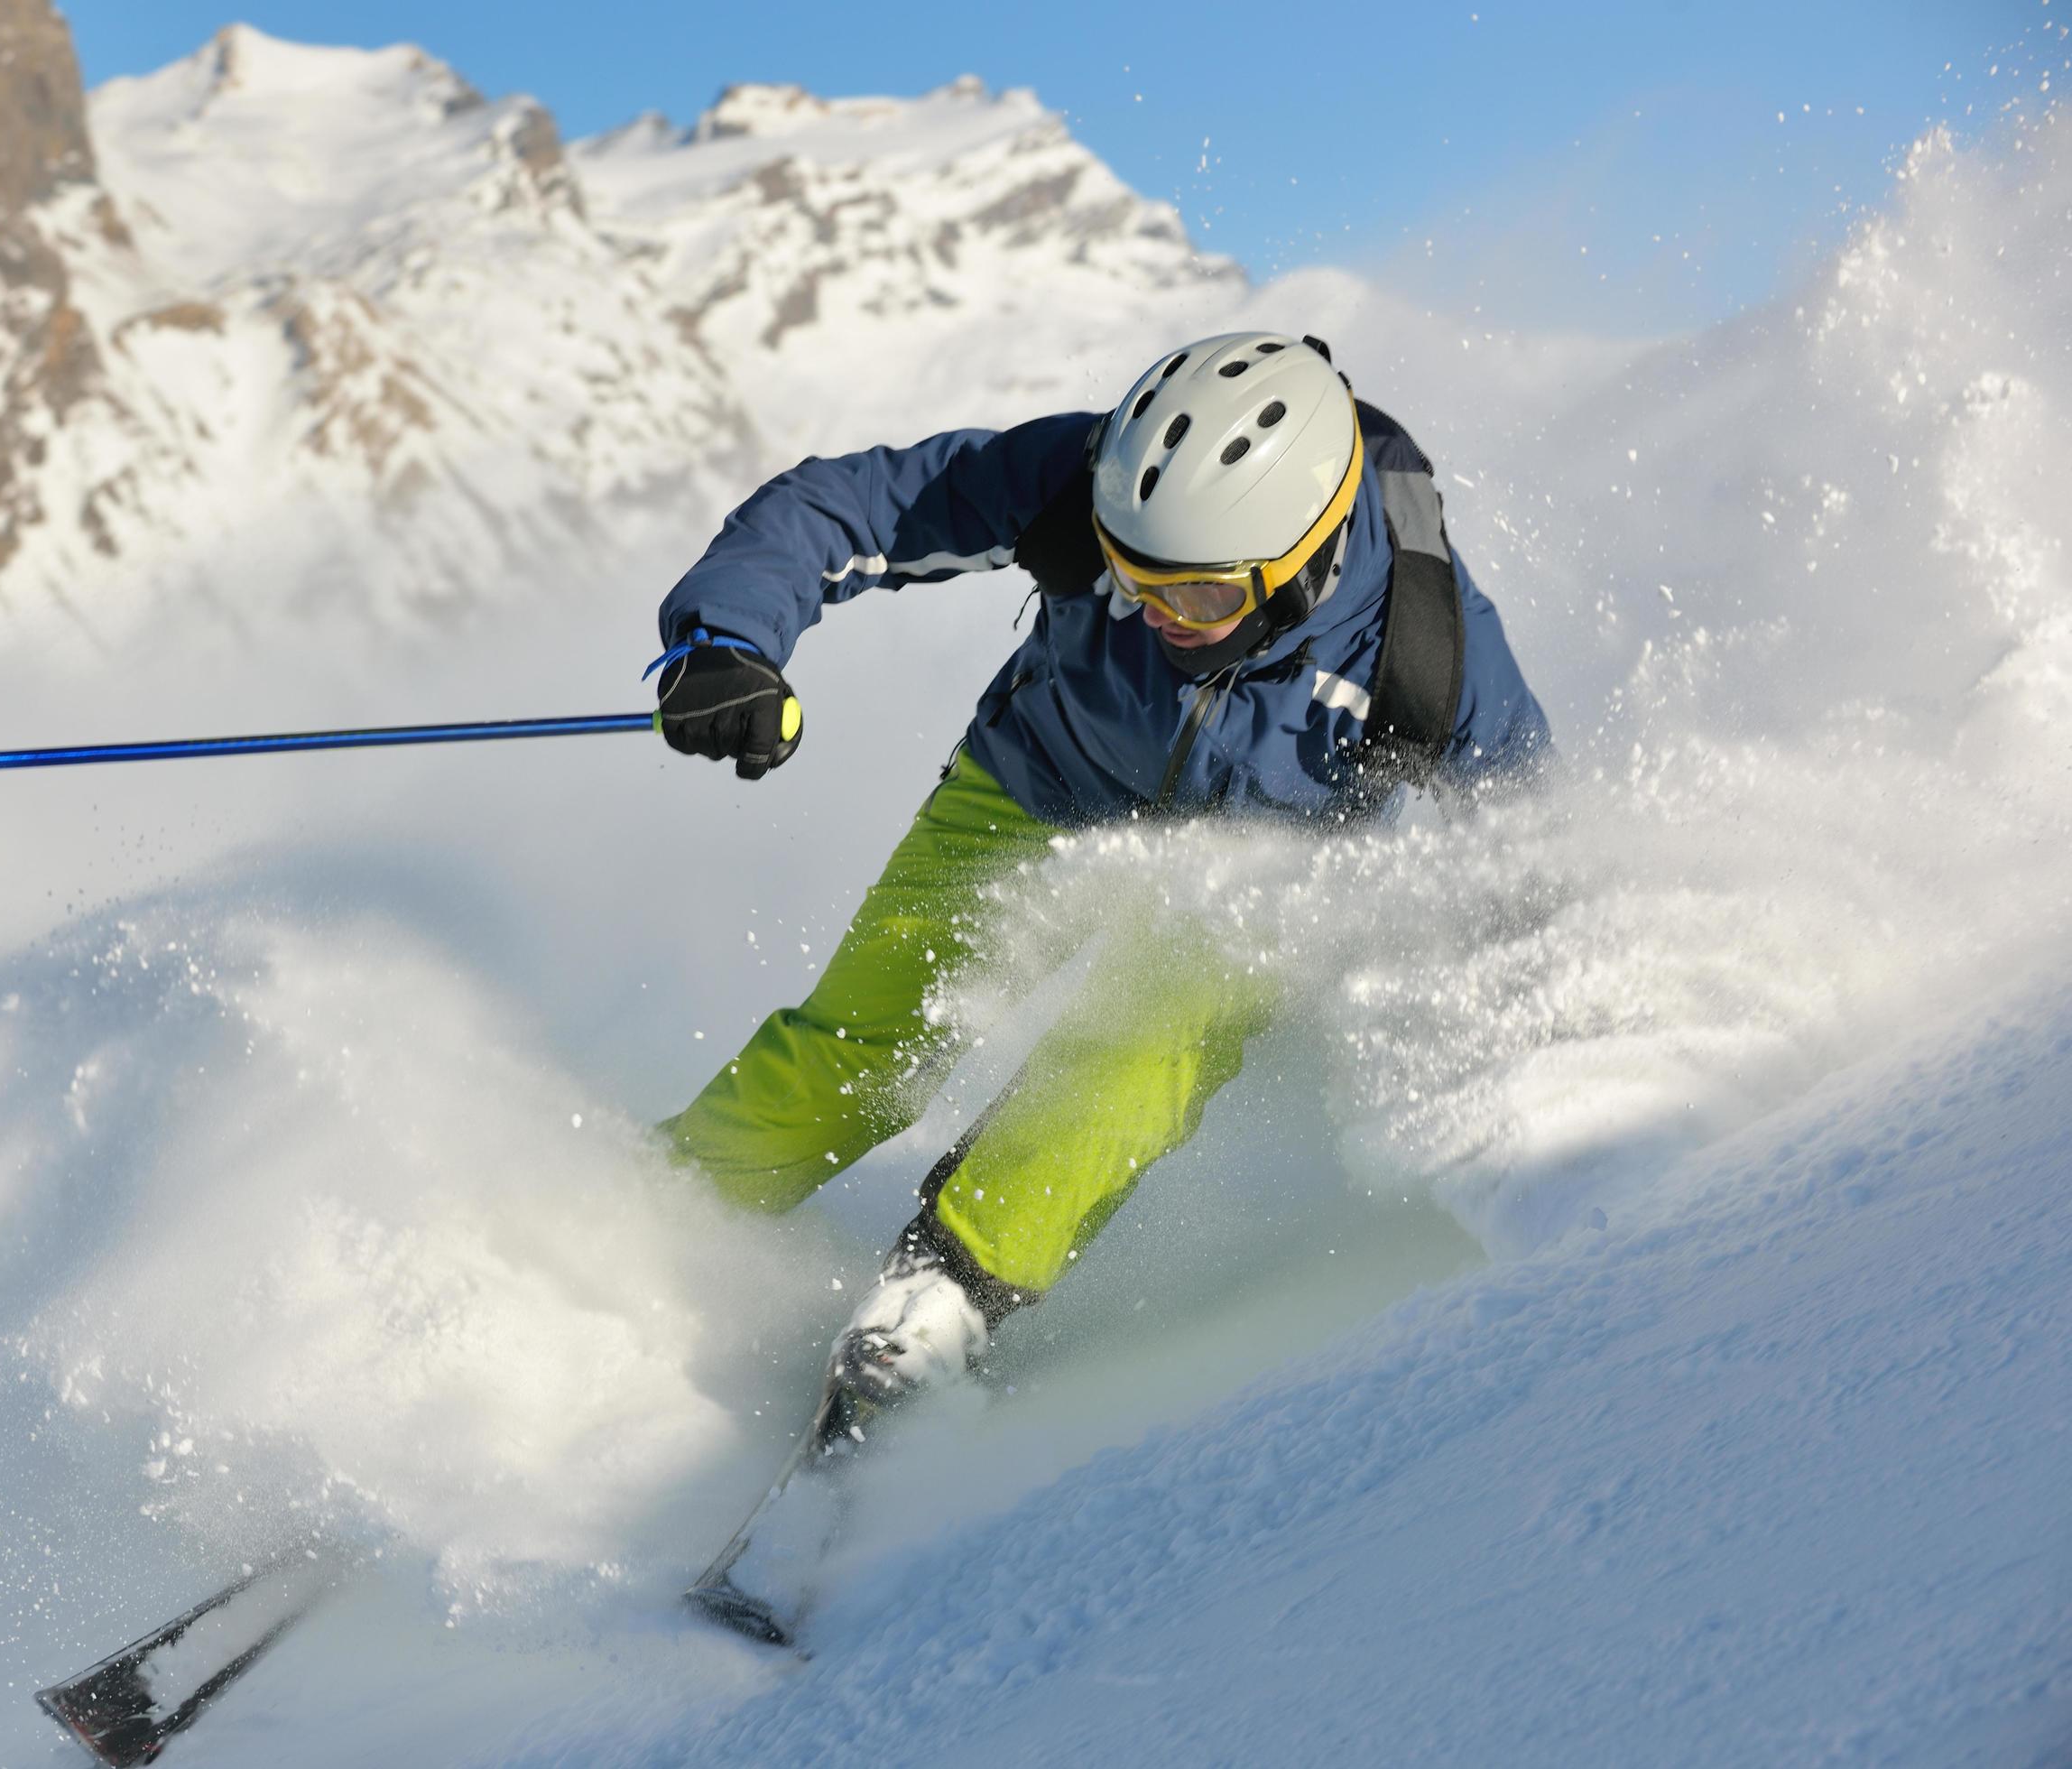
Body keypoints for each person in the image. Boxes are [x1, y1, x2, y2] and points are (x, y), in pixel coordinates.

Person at [648, 331, 1551, 1430]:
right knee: (864, 1037)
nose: (1157, 616)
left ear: (1304, 562)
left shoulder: (1427, 654)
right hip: (1041, 776)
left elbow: (1526, 845)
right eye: (1130, 581)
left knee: (1137, 1051)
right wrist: (728, 640)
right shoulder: (1096, 486)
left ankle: (941, 1298)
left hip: (1256, 876)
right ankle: (660, 1216)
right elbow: (853, 507)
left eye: (1202, 602)